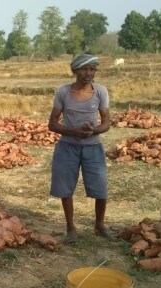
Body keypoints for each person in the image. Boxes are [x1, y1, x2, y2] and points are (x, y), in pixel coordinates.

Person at [48, 53, 111, 243]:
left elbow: (106, 122)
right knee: (65, 188)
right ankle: (70, 228)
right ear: (74, 70)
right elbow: (52, 124)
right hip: (68, 147)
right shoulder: (63, 92)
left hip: (93, 147)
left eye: (92, 69)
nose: (88, 73)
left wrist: (94, 131)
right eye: (84, 69)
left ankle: (99, 225)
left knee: (101, 188)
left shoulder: (100, 92)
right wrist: (74, 131)